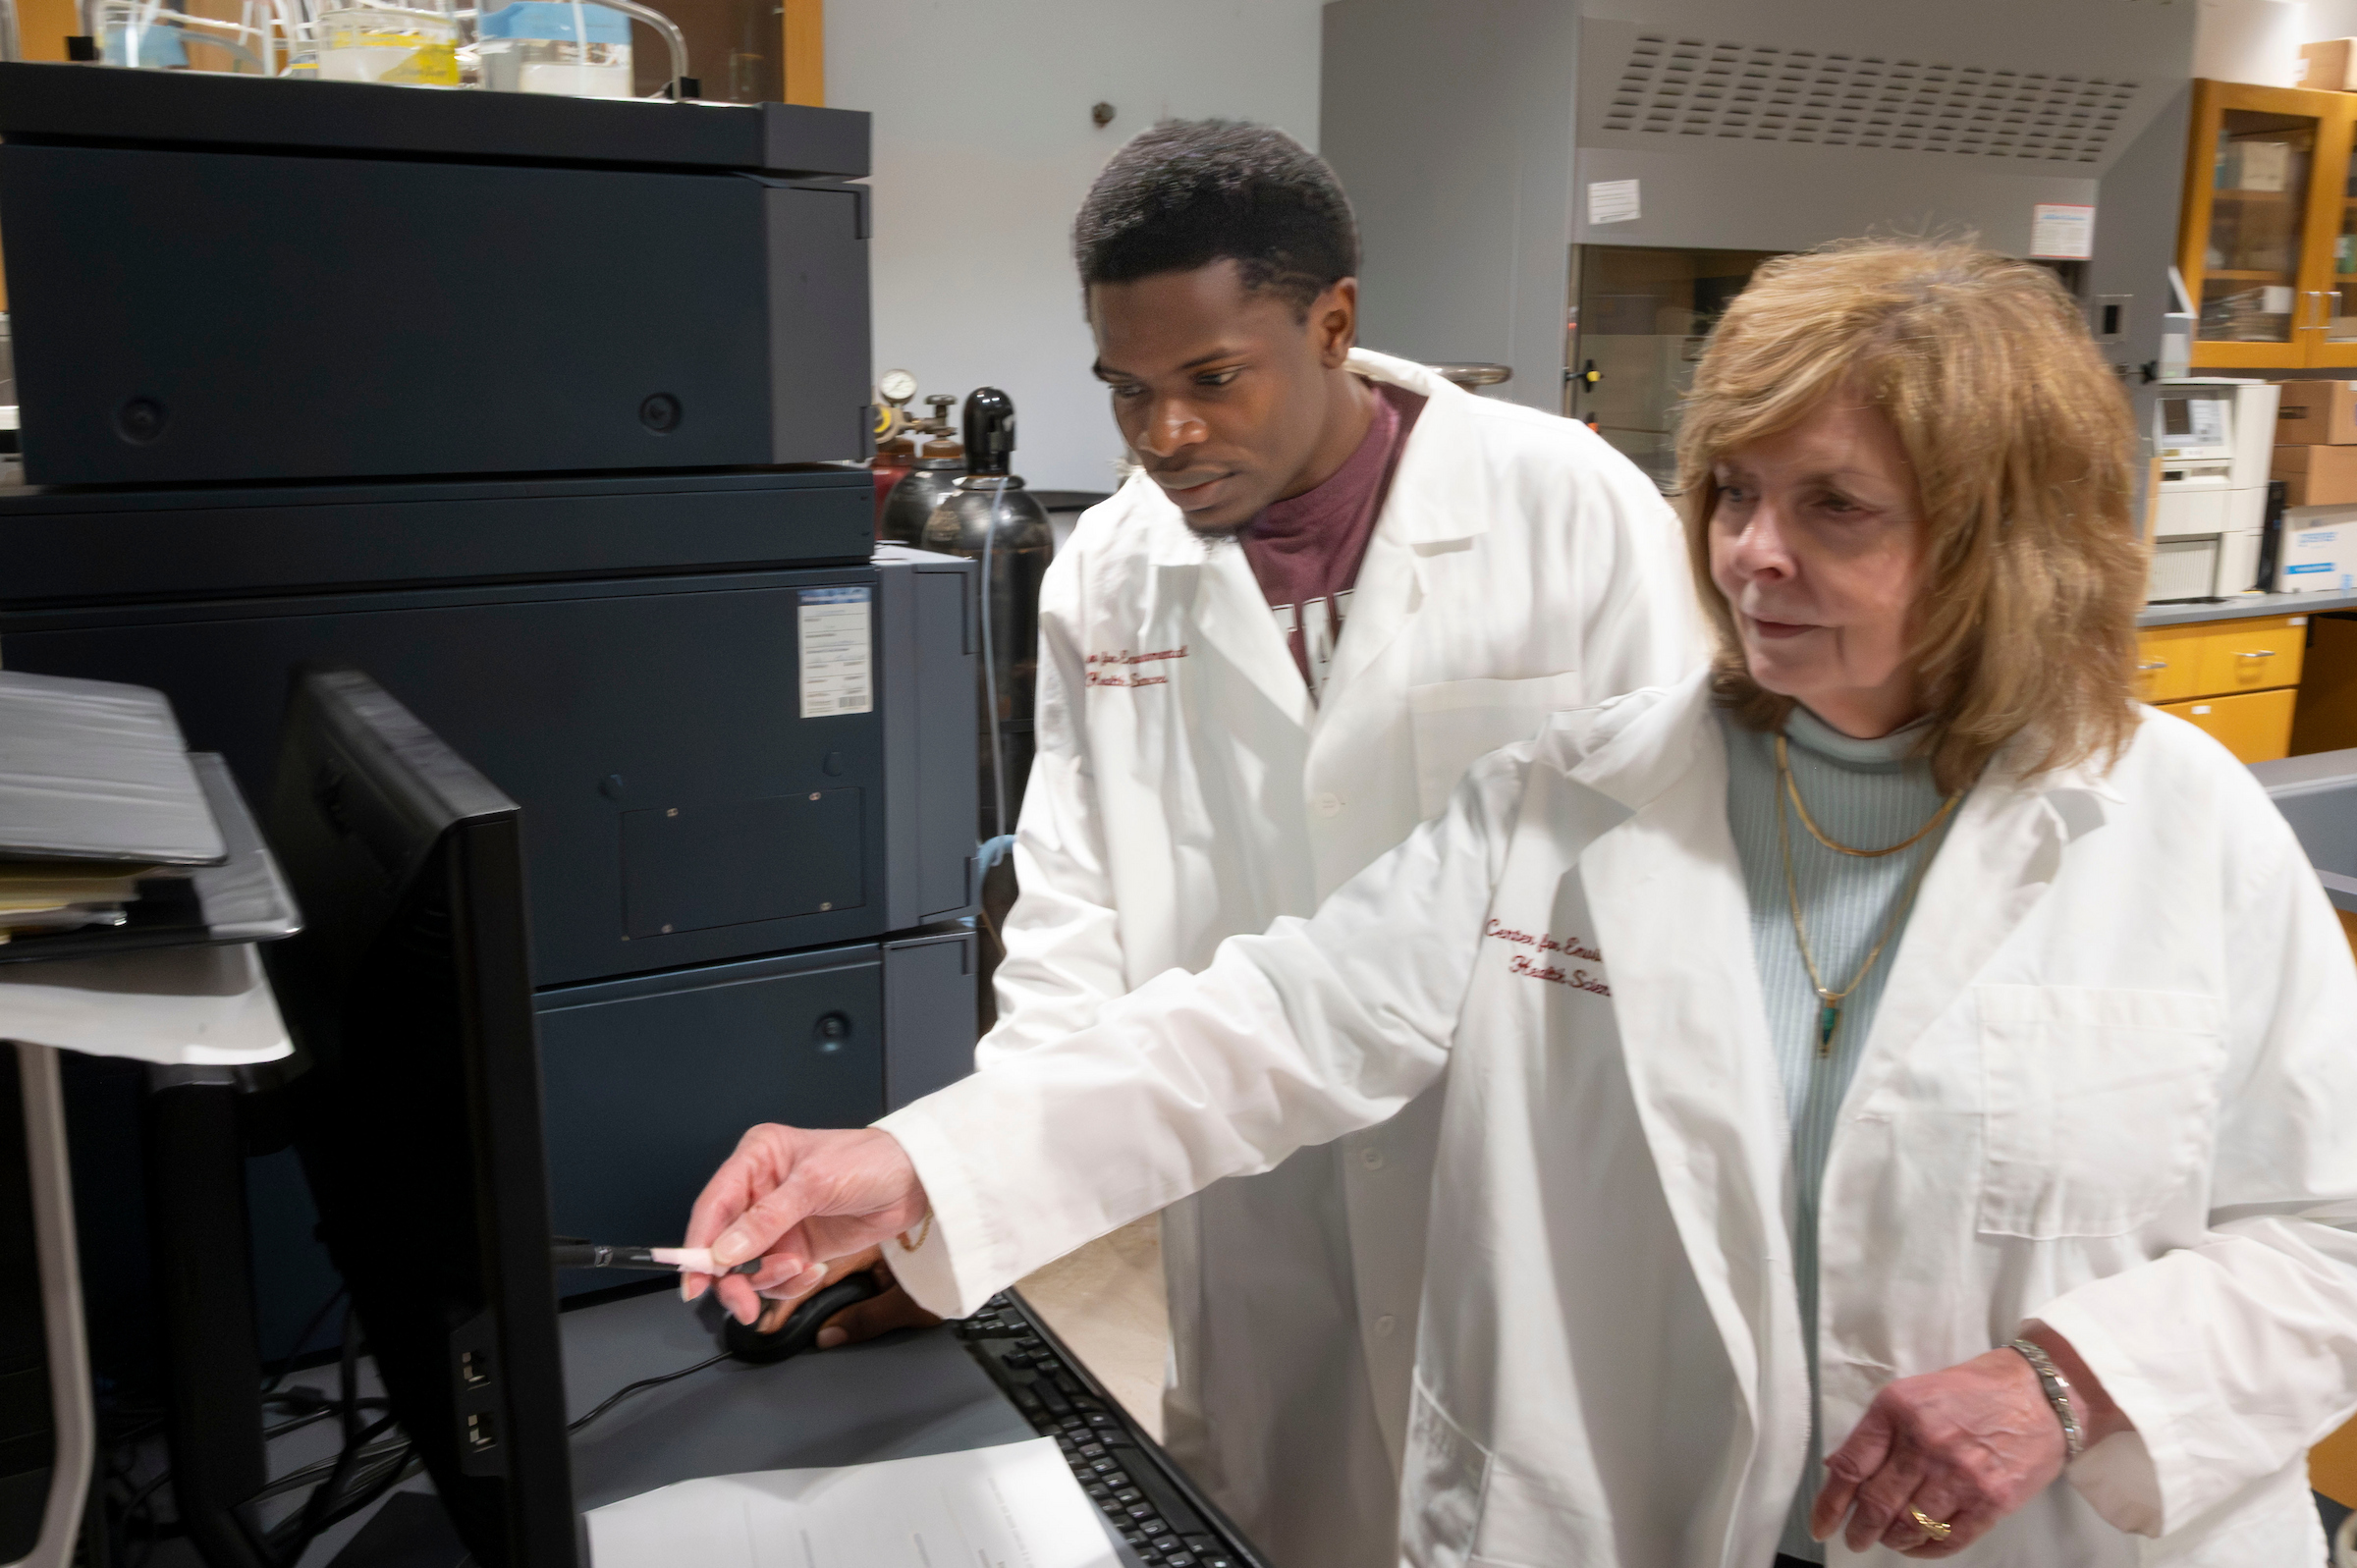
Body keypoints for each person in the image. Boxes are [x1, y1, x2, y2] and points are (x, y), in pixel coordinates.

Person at [691, 239, 2357, 1564]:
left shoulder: (2178, 826)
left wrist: (2067, 1384)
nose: (1750, 555)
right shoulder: (1580, 792)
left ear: (2006, 538)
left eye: (1832, 507)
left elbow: (2330, 1237)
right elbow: (1265, 1025)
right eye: (1733, 491)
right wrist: (914, 1161)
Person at [739, 119, 1704, 1568]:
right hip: (1261, 1230)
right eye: (1126, 391)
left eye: (1211, 381)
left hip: (1521, 1209)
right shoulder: (1114, 574)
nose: (1164, 436)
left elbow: (1678, 891)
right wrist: (966, 1189)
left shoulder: (1566, 508)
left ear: (1335, 321)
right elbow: (1075, 921)